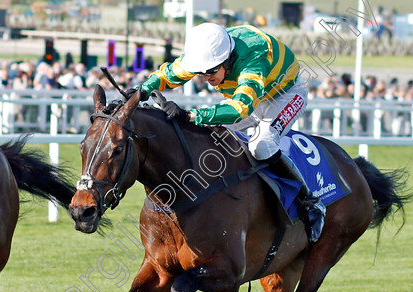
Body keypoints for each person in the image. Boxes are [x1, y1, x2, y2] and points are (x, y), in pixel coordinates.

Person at [136, 23, 325, 242]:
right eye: (201, 73)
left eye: (210, 72)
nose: (206, 78)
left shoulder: (253, 56)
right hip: (250, 96)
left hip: (284, 94)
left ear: (228, 60)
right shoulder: (209, 52)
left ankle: (309, 201)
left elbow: (240, 109)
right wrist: (143, 89)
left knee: (262, 145)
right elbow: (170, 73)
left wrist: (190, 116)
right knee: (210, 136)